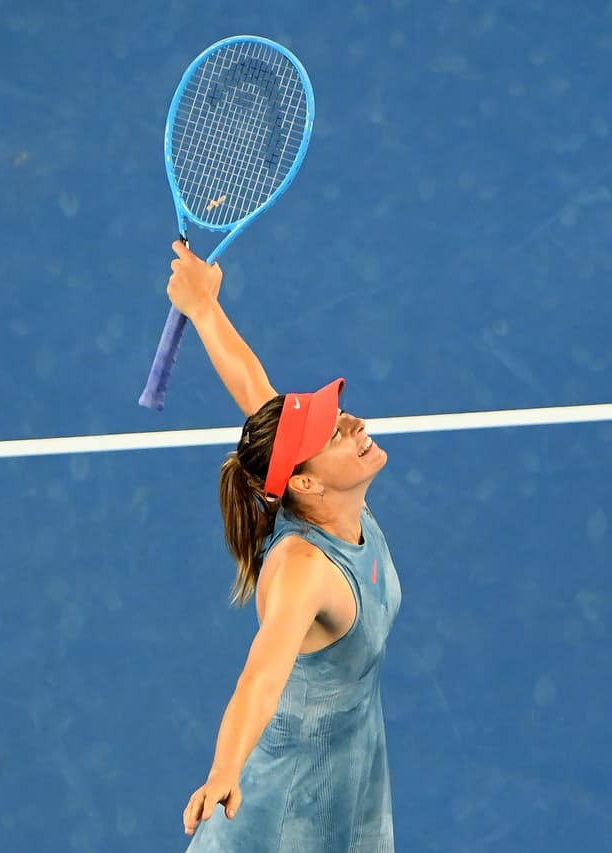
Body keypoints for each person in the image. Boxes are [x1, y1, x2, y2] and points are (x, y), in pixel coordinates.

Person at [164, 241, 401, 852]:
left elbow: (254, 390)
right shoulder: (301, 568)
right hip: (285, 806)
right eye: (335, 432)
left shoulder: (329, 494)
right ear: (304, 481)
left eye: (340, 414)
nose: (353, 425)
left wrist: (203, 307)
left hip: (350, 772)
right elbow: (260, 677)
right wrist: (224, 769)